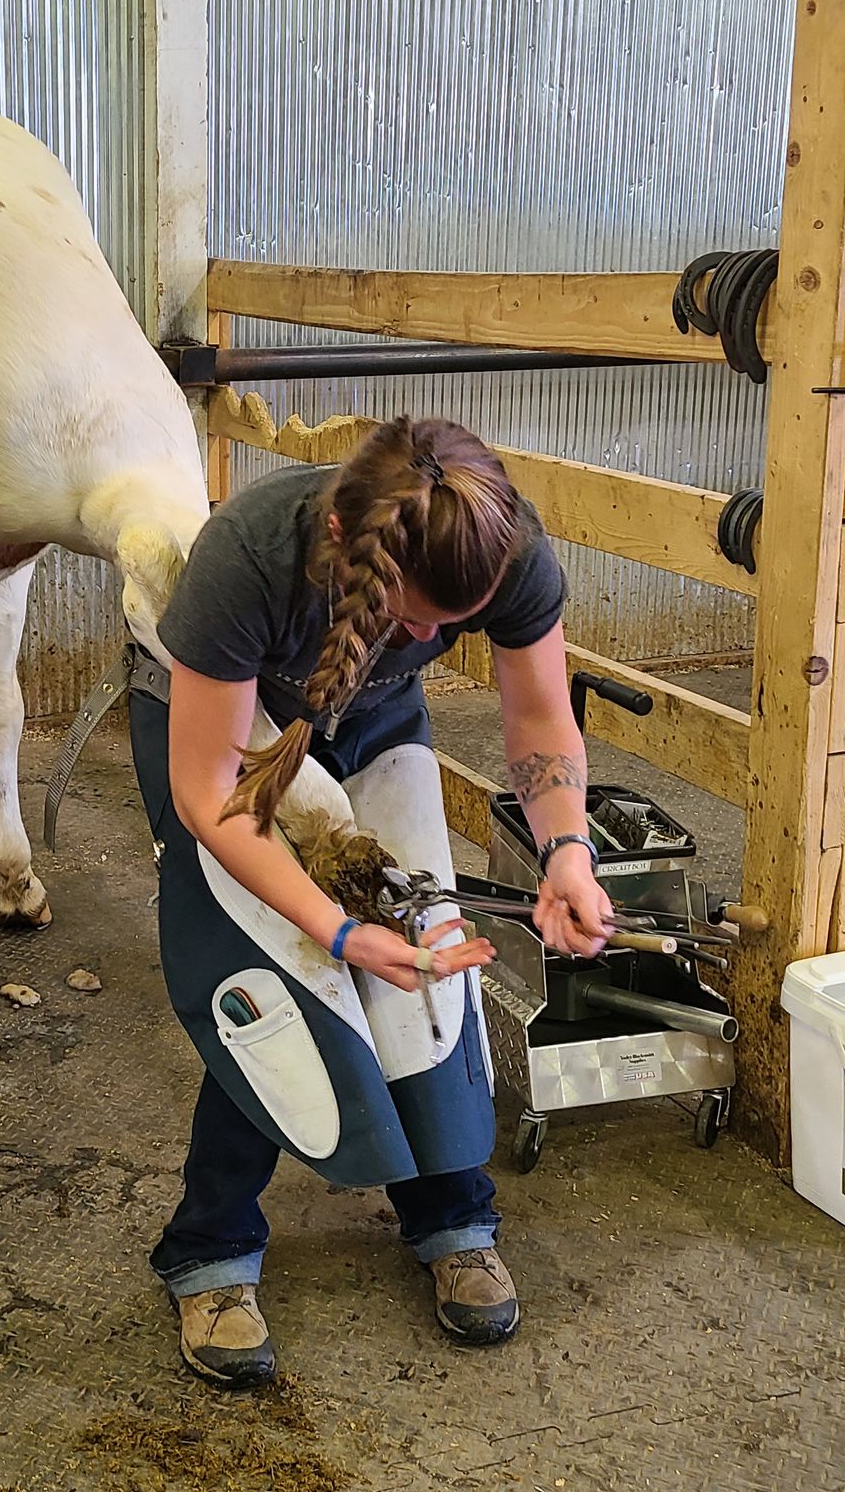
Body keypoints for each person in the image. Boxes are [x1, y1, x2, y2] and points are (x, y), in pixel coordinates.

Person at [127, 414, 613, 1388]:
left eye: (453, 622)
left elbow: (538, 713)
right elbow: (210, 792)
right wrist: (336, 929)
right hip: (228, 729)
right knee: (273, 976)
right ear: (348, 546)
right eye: (421, 617)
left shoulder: (498, 542)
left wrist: (567, 849)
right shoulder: (250, 558)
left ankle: (451, 1218)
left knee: (430, 951)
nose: (433, 639)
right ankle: (211, 1250)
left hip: (370, 715)